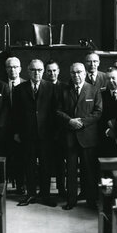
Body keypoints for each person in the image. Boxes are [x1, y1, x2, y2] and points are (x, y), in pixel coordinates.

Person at [57, 62, 102, 210]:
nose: (76, 75)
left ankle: (90, 200)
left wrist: (82, 122)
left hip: (87, 136)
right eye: (73, 73)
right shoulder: (63, 90)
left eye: (79, 72)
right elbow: (57, 111)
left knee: (88, 170)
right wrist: (69, 121)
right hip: (69, 136)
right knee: (70, 171)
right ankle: (71, 200)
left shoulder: (94, 90)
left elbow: (98, 112)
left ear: (84, 73)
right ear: (70, 74)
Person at [13, 59, 57, 207]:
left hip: (46, 134)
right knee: (29, 165)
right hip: (27, 134)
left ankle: (45, 196)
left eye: (39, 70)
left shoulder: (51, 88)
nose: (36, 73)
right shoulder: (19, 89)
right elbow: (16, 113)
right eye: (33, 70)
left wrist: (54, 133)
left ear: (43, 71)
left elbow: (54, 112)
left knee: (46, 166)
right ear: (28, 71)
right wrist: (17, 132)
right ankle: (31, 194)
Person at [45, 60, 67, 198]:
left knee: (60, 162)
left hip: (61, 130)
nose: (52, 73)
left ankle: (61, 188)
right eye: (49, 71)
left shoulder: (65, 87)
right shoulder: (42, 86)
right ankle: (45, 190)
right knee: (45, 161)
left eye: (54, 70)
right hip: (45, 130)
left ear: (58, 71)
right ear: (46, 72)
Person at [5, 56, 26, 195]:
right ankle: (3, 187)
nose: (12, 69)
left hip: (22, 129)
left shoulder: (26, 84)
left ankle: (21, 186)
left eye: (15, 66)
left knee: (21, 159)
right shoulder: (0, 85)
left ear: (20, 68)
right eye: (9, 67)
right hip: (5, 129)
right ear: (6, 69)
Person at [98, 67, 117, 157]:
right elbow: (98, 116)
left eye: (113, 78)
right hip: (106, 138)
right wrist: (107, 130)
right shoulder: (100, 95)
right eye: (108, 78)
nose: (110, 81)